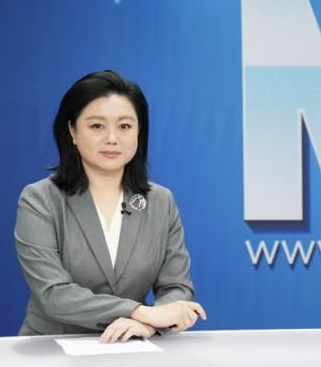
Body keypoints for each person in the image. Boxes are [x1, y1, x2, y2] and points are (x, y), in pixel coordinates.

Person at [15, 70, 206, 342]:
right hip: (53, 347)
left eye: (125, 126)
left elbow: (177, 288)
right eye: (97, 126)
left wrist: (148, 326)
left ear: (139, 132)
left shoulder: (160, 201)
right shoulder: (40, 199)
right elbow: (53, 294)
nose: (112, 138)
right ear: (72, 131)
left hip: (132, 349)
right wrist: (140, 312)